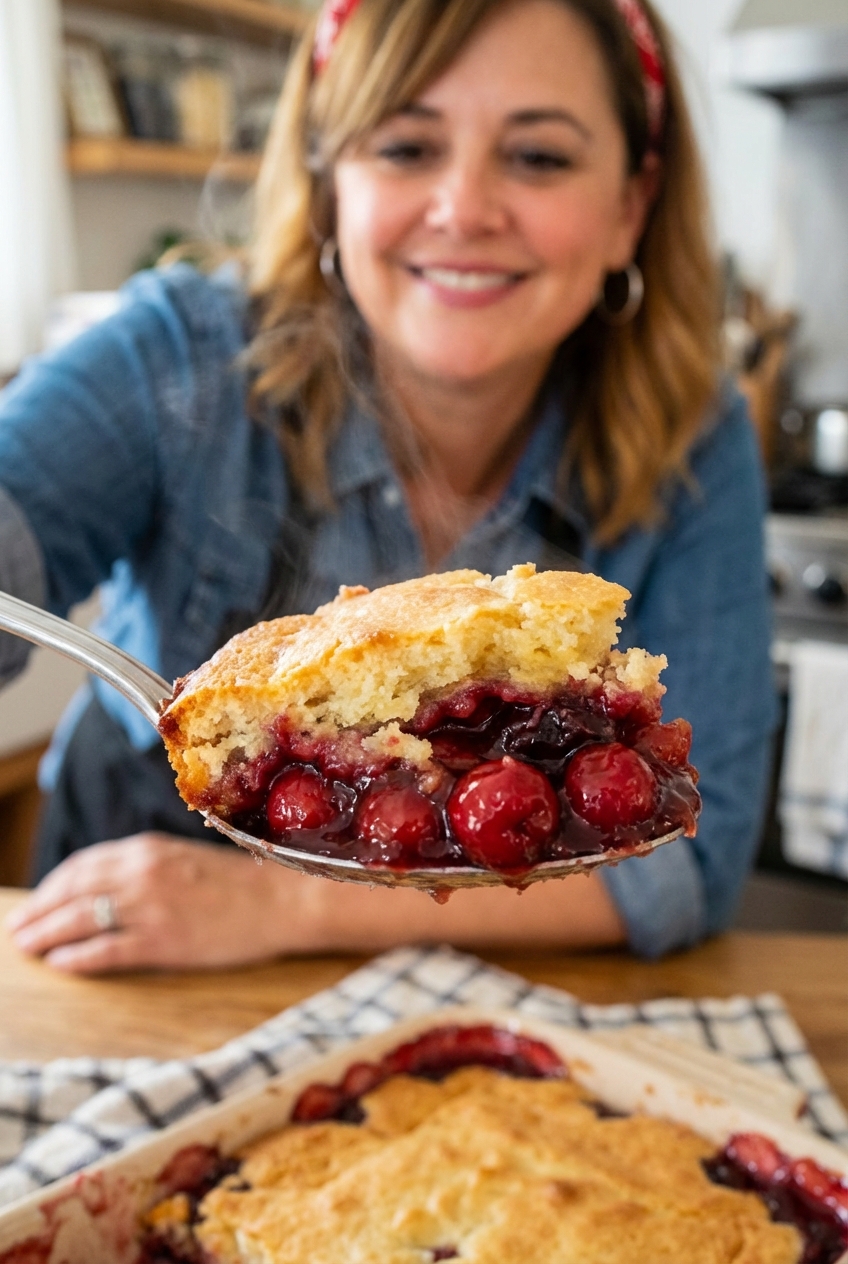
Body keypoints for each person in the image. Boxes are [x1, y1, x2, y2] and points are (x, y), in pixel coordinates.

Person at [0, 0, 774, 974]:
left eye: (538, 157)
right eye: (406, 146)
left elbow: (691, 867)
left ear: (630, 205)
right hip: (132, 976)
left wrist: (283, 904)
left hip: (503, 1000)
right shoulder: (174, 356)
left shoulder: (693, 436)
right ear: (329, 183)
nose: (462, 206)